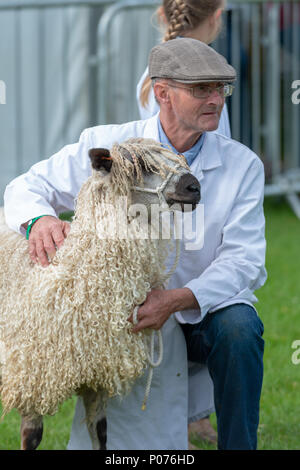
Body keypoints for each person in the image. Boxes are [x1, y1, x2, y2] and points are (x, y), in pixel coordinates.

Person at [4, 39, 266, 450]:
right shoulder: (111, 146)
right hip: (123, 314)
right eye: (202, 89)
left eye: (221, 89)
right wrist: (40, 219)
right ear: (162, 93)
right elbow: (27, 185)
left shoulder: (242, 165)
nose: (216, 99)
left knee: (240, 329)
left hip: (199, 309)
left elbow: (245, 260)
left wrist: (178, 298)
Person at [136, 0, 229, 446]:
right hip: (177, 216)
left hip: (174, 216)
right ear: (215, 16)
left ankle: (194, 415)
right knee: (195, 299)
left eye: (218, 91)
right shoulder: (191, 87)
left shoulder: (164, 75)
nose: (214, 97)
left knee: (203, 303)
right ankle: (185, 419)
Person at [137, 0, 231, 139]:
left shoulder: (152, 69)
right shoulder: (206, 71)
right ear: (215, 17)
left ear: (163, 15)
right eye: (201, 89)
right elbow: (215, 143)